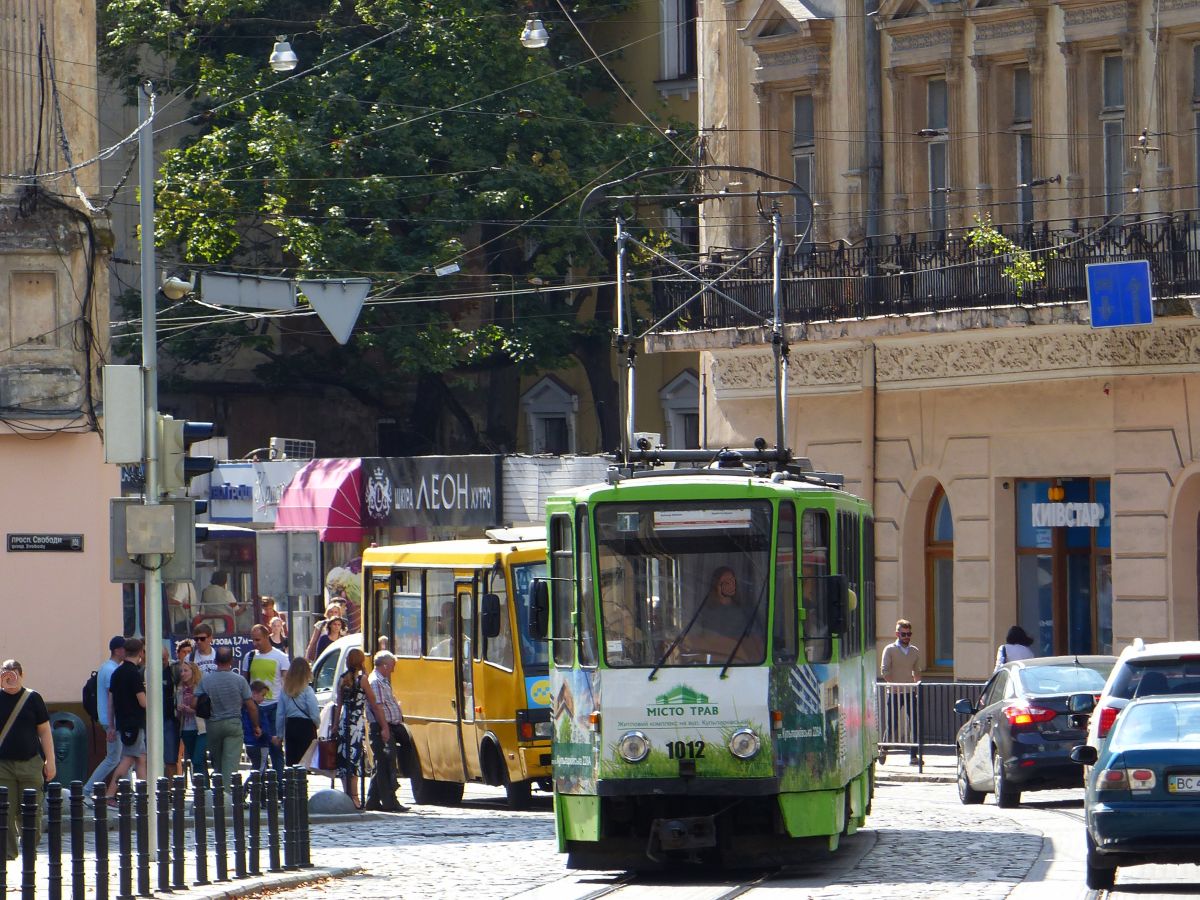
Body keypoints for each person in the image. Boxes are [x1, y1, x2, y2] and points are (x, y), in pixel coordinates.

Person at [0, 659, 54, 861]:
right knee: (5, 812)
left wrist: (50, 761)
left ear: (22, 675)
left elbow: (45, 731)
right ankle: (8, 854)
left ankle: (30, 849)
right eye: (6, 672)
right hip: (3, 765)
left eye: (14, 672)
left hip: (31, 763)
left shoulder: (33, 698)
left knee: (31, 812)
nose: (10, 676)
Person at [195, 647, 260, 791]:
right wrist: (256, 726)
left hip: (213, 725)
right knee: (230, 763)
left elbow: (195, 703)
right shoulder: (240, 680)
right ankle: (227, 795)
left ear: (216, 660)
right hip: (233, 724)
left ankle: (217, 792)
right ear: (231, 660)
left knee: (217, 762)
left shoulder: (206, 680)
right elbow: (252, 707)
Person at [333, 648, 386, 810]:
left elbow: (339, 705)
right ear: (361, 661)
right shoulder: (362, 679)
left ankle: (347, 795)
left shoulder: (342, 679)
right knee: (354, 759)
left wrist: (335, 725)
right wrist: (383, 725)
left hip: (344, 722)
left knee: (344, 760)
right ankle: (355, 798)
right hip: (356, 723)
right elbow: (374, 704)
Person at [241, 624, 289, 777]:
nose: (255, 643)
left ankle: (279, 784)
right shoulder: (249, 657)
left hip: (274, 706)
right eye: (253, 640)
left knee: (275, 748)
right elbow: (244, 681)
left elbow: (286, 683)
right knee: (258, 749)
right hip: (255, 708)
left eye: (258, 640)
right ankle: (260, 785)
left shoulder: (280, 657)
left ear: (267, 636)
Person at [105, 637, 148, 805]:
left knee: (140, 758)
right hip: (135, 722)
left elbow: (111, 702)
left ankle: (145, 794)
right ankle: (110, 794)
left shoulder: (117, 672)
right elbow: (143, 702)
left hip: (123, 721)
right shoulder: (134, 674)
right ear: (140, 653)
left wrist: (111, 725)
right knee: (129, 758)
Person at [687, 567, 764, 661]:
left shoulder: (746, 611)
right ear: (716, 585)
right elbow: (695, 640)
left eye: (732, 581)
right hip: (711, 663)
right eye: (726, 582)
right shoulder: (704, 613)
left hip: (740, 662)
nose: (731, 585)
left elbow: (756, 641)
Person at [365, 651, 410, 812]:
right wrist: (384, 728)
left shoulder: (382, 680)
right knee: (386, 766)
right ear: (384, 666)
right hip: (381, 727)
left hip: (385, 726)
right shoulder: (376, 682)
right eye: (392, 666)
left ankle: (372, 801)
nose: (393, 670)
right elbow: (377, 708)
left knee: (381, 765)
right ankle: (390, 802)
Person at [83, 635, 125, 798]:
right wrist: (112, 725)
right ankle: (87, 790)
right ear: (117, 650)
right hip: (111, 720)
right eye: (124, 649)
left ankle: (124, 792)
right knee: (113, 758)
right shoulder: (111, 670)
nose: (126, 652)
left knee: (122, 758)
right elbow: (111, 697)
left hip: (109, 719)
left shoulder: (106, 668)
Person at [880, 618, 923, 765]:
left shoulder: (914, 651)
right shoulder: (889, 649)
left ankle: (913, 756)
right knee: (893, 724)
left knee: (914, 723)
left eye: (909, 634)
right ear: (897, 634)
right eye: (903, 634)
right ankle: (884, 748)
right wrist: (894, 684)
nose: (906, 637)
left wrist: (917, 686)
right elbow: (884, 671)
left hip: (910, 692)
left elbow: (916, 671)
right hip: (894, 693)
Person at [276, 657, 320, 767]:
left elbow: (280, 714)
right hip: (306, 727)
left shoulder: (285, 690)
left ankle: (292, 783)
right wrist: (317, 724)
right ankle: (302, 782)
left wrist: (279, 735)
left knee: (292, 762)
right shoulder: (307, 690)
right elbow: (314, 712)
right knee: (304, 762)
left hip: (290, 725)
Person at [175, 660, 207, 777]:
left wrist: (192, 710)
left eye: (186, 671)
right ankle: (203, 788)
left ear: (193, 672)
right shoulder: (179, 689)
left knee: (198, 759)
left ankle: (203, 789)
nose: (182, 673)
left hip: (201, 728)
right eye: (181, 671)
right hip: (186, 728)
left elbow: (206, 710)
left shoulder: (200, 688)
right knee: (196, 761)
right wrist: (179, 710)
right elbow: (177, 715)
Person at [242, 681, 276, 779]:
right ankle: (246, 790)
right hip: (259, 744)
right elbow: (262, 728)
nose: (264, 698)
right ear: (254, 693)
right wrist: (269, 737)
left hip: (250, 742)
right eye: (263, 695)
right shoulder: (256, 710)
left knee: (257, 768)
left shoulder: (245, 709)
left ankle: (256, 791)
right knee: (258, 770)